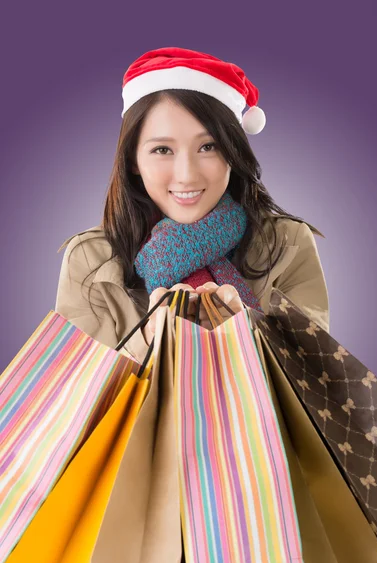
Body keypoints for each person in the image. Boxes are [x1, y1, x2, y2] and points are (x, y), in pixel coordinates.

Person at [55, 46, 329, 370]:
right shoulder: (91, 258)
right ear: (133, 159)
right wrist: (147, 342)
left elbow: (318, 386)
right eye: (162, 149)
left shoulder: (287, 243)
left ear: (233, 152)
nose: (186, 175)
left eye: (208, 146)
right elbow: (74, 401)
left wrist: (249, 339)